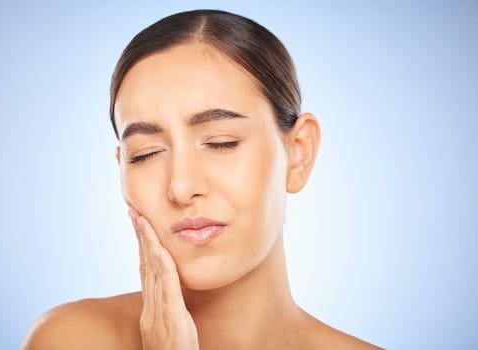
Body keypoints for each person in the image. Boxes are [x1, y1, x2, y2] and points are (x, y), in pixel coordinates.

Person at [23, 9, 381, 349]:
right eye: (145, 154)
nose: (180, 187)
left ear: (298, 153)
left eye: (221, 143)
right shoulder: (68, 340)